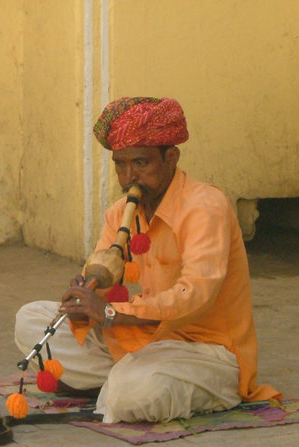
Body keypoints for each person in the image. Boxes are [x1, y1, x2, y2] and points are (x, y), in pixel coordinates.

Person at [15, 96, 280, 423]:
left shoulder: (205, 207)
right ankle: (124, 378)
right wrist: (87, 293)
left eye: (141, 163)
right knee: (30, 320)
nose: (129, 178)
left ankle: (134, 383)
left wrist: (111, 313)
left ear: (171, 158)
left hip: (205, 350)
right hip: (141, 340)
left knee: (135, 393)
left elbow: (194, 294)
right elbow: (102, 289)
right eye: (120, 165)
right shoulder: (120, 214)